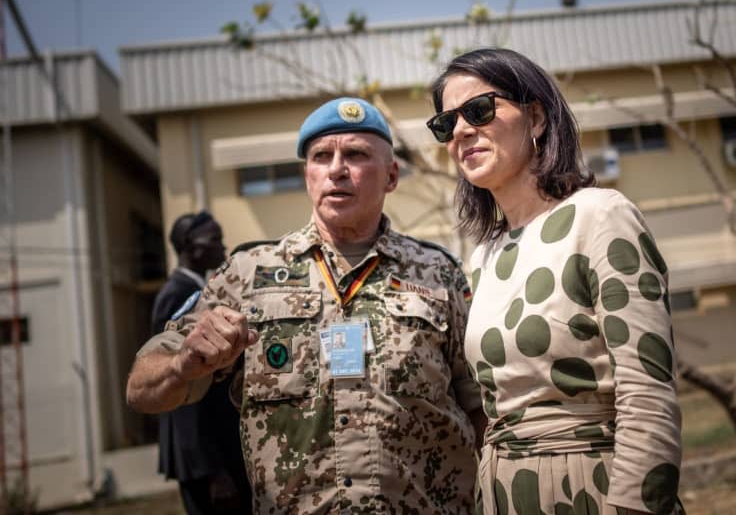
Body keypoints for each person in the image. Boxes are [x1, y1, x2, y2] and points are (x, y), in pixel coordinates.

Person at [127, 97, 483, 513]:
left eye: (355, 154)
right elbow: (140, 390)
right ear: (307, 176)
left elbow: (480, 408)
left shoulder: (438, 274)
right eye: (321, 157)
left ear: (390, 176)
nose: (336, 169)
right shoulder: (248, 274)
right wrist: (181, 363)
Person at [427, 48, 683, 515]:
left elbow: (648, 396)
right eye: (445, 124)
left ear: (537, 117)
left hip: (592, 487)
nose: (461, 130)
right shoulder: (483, 255)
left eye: (479, 110)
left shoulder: (601, 216)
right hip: (503, 492)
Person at [150, 212, 251, 515]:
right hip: (205, 460)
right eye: (215, 240)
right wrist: (212, 470)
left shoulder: (200, 290)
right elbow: (179, 383)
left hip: (216, 450)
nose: (223, 247)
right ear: (191, 247)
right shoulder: (177, 296)